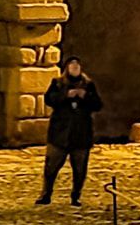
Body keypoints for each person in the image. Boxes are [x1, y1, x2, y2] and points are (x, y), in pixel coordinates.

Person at [36, 56, 102, 206]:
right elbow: (50, 100)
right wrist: (66, 96)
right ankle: (46, 194)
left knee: (80, 169)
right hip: (60, 134)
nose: (75, 69)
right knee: (51, 167)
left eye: (77, 67)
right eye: (72, 67)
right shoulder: (58, 83)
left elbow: (97, 104)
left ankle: (76, 195)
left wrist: (85, 96)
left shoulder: (88, 85)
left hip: (81, 134)